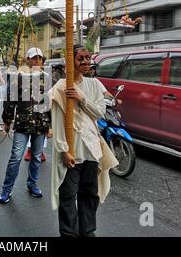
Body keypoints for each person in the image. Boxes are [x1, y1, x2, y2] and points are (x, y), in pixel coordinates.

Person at [50, 46, 106, 237]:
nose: (85, 62)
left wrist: (81, 98)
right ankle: (68, 234)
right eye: (80, 58)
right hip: (71, 152)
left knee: (90, 194)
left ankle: (87, 230)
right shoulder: (59, 88)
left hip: (91, 149)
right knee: (67, 196)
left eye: (87, 58)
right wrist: (63, 150)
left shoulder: (94, 84)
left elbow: (99, 113)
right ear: (70, 62)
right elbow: (58, 122)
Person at [0, 48, 51, 204]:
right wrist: (7, 121)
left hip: (41, 124)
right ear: (28, 60)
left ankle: (32, 184)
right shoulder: (18, 77)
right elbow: (10, 101)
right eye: (33, 58)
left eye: (39, 58)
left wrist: (50, 126)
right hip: (22, 124)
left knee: (36, 156)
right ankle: (6, 189)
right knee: (16, 157)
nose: (37, 61)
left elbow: (49, 103)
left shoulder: (46, 77)